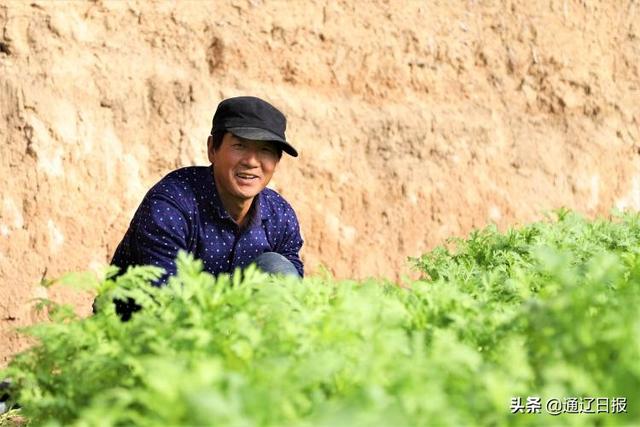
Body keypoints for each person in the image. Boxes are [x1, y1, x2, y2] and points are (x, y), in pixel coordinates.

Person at [108, 96, 304, 319]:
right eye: (239, 145)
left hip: (231, 339)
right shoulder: (171, 204)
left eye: (265, 150)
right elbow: (162, 305)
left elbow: (294, 301)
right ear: (212, 149)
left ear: (277, 161)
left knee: (277, 268)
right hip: (139, 336)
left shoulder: (281, 216)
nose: (252, 161)